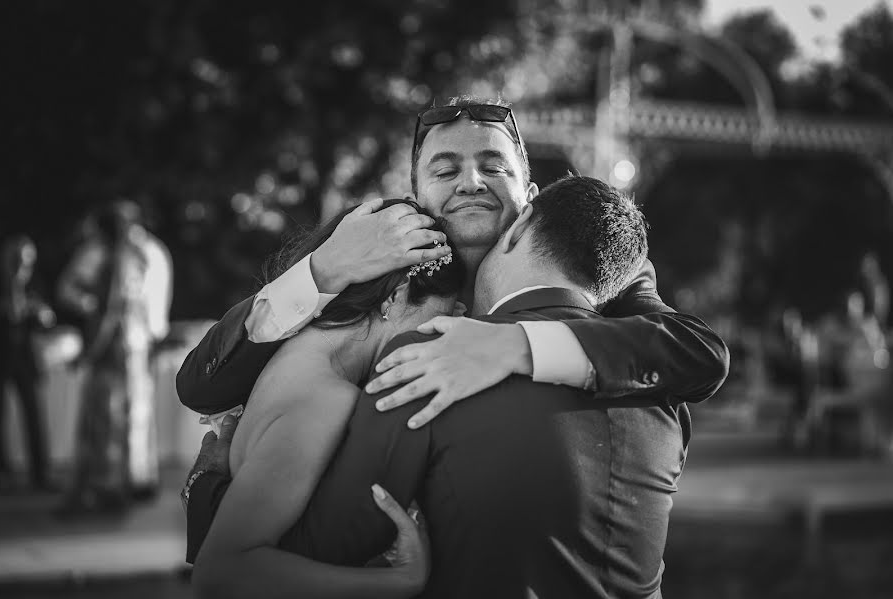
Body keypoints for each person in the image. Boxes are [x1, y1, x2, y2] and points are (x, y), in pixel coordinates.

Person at [179, 96, 728, 549]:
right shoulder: (369, 265)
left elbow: (698, 353)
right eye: (445, 169)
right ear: (418, 197)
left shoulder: (591, 266)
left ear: (530, 200)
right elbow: (203, 384)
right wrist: (324, 268)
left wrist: (515, 345)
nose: (470, 182)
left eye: (494, 167)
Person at [194, 176, 686, 598]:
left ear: (520, 228)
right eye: (453, 306)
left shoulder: (392, 367)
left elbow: (318, 540)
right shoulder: (660, 390)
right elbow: (233, 565)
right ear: (398, 294)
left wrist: (210, 487)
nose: (462, 319)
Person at [189, 198, 462, 597]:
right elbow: (221, 571)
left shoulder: (296, 350)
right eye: (443, 313)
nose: (446, 327)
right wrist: (398, 582)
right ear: (395, 296)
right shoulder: (323, 399)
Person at [56, 201, 173, 514]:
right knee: (129, 416)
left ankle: (108, 490)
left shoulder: (116, 259)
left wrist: (89, 351)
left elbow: (108, 313)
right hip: (135, 345)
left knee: (108, 418)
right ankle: (128, 483)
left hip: (116, 349)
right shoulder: (143, 254)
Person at [0, 235, 56, 491]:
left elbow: (47, 317)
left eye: (28, 261)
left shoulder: (34, 283)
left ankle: (40, 473)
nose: (23, 267)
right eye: (18, 261)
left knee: (33, 413)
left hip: (25, 358)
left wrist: (40, 313)